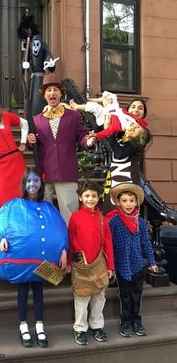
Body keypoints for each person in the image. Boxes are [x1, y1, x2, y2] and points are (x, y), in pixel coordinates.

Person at [0, 168, 68, 348]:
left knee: (38, 292)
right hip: (21, 263)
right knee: (22, 292)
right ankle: (23, 326)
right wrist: (2, 238)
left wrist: (64, 250)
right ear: (24, 184)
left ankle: (40, 325)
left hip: (42, 263)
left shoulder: (49, 208)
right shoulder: (13, 205)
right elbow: (0, 222)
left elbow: (61, 229)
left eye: (36, 181)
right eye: (29, 181)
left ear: (41, 185)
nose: (33, 185)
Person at [27, 73, 95, 224]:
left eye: (55, 89)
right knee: (44, 214)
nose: (52, 93)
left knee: (69, 214)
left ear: (61, 93)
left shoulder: (73, 116)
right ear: (43, 95)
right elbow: (34, 145)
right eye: (48, 90)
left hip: (66, 171)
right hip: (45, 171)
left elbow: (82, 136)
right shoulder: (36, 120)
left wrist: (88, 141)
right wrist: (30, 142)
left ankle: (71, 246)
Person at [67, 180, 114, 345]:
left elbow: (108, 243)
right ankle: (80, 328)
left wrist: (110, 266)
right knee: (81, 297)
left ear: (98, 197)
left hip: (100, 264)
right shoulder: (75, 217)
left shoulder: (103, 219)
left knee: (99, 296)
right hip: (81, 265)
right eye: (86, 196)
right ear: (80, 197)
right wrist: (73, 259)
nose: (90, 199)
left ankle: (96, 325)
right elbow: (71, 238)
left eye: (93, 196)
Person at [108, 183, 158, 338]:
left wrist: (151, 261)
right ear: (118, 202)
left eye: (131, 200)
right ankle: (125, 321)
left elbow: (146, 243)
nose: (128, 204)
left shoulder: (141, 223)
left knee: (136, 294)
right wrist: (110, 265)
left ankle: (137, 320)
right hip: (122, 264)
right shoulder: (114, 222)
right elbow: (110, 244)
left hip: (137, 264)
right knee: (125, 295)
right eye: (124, 200)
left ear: (136, 202)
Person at [100, 98, 151, 214]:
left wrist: (110, 132)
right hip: (114, 173)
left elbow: (119, 153)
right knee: (109, 209)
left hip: (127, 176)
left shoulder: (142, 133)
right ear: (127, 110)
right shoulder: (121, 128)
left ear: (144, 114)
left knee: (125, 212)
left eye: (140, 108)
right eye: (133, 106)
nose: (136, 110)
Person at [70, 92, 150, 148]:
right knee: (112, 96)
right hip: (114, 110)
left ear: (128, 133)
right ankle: (101, 100)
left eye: (132, 130)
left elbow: (108, 131)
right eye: (137, 127)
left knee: (96, 107)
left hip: (105, 116)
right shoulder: (136, 120)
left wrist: (96, 135)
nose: (134, 127)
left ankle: (77, 107)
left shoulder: (119, 127)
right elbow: (143, 123)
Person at [17, 15, 58, 119]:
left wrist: (50, 63)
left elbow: (46, 55)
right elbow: (28, 60)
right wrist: (25, 64)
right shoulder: (29, 44)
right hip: (34, 79)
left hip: (39, 78)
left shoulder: (36, 43)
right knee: (32, 102)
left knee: (37, 103)